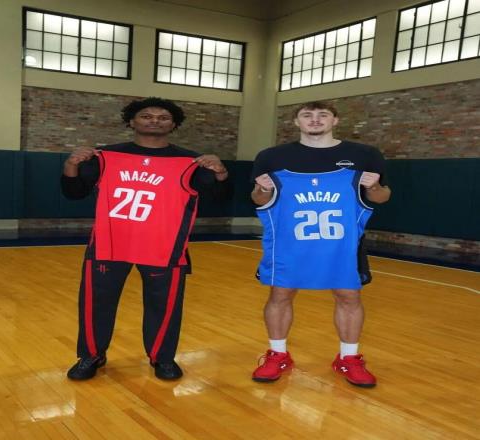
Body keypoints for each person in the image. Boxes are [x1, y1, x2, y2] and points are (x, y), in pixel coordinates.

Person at [61, 97, 231, 381]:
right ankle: (91, 355)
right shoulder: (105, 156)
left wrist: (221, 172)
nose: (155, 121)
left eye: (163, 117)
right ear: (132, 121)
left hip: (164, 247)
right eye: (147, 116)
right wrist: (71, 165)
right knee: (95, 303)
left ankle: (162, 358)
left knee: (164, 308)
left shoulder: (191, 162)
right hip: (109, 244)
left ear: (173, 125)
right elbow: (74, 193)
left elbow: (220, 198)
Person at [250, 101, 391, 387]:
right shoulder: (272, 157)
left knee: (349, 296)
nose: (315, 120)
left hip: (342, 245)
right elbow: (258, 200)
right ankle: (278, 354)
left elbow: (381, 197)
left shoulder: (364, 155)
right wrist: (262, 189)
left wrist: (373, 186)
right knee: (280, 294)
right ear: (296, 121)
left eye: (322, 115)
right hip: (289, 244)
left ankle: (348, 358)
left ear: (335, 120)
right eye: (307, 115)